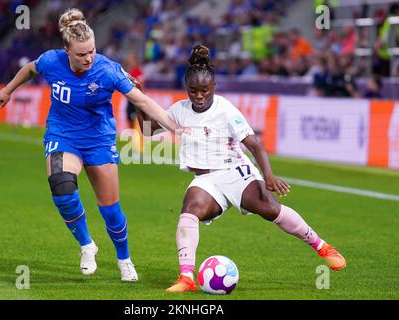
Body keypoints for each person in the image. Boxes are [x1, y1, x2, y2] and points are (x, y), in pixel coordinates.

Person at [136, 45, 346, 292]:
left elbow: (255, 145)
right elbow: (149, 130)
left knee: (270, 209)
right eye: (193, 91)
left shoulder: (225, 110)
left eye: (204, 90)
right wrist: (140, 101)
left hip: (234, 171)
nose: (199, 96)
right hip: (206, 180)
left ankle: (321, 246)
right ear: (187, 89)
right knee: (189, 210)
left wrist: (268, 176)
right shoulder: (180, 110)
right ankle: (186, 278)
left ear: (214, 87)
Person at [0, 8, 184, 282]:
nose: (88, 58)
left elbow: (141, 101)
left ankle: (124, 259)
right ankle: (86, 245)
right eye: (81, 54)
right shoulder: (51, 61)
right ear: (66, 51)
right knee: (61, 185)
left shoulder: (108, 70)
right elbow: (29, 69)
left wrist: (174, 126)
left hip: (99, 140)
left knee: (110, 210)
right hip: (63, 135)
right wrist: (8, 89)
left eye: (92, 51)